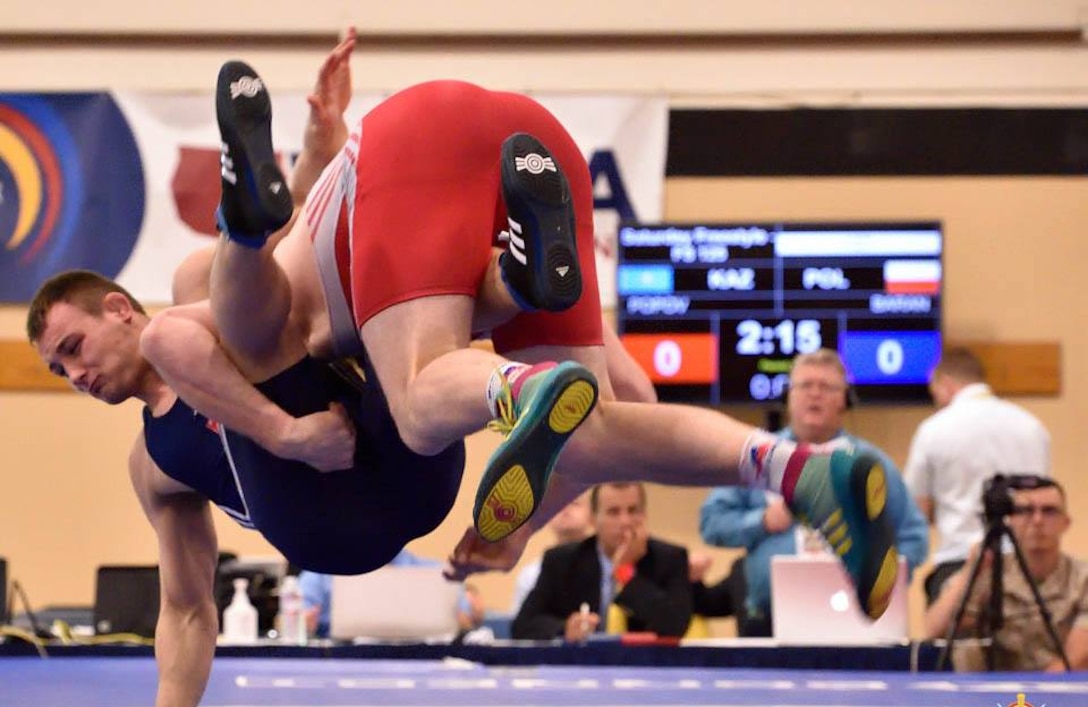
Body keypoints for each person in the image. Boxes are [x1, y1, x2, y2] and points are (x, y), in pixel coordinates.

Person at [193, 58, 899, 617]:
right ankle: (795, 467)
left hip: (417, 138)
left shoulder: (267, 323)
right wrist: (523, 529)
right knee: (590, 425)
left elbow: (181, 335)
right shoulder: (353, 292)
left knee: (414, 403)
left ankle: (246, 216)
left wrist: (277, 432)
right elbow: (631, 395)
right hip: (538, 142)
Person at [699, 349, 928, 636]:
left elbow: (913, 537)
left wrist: (881, 586)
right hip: (768, 622)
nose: (815, 395)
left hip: (856, 624)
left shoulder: (870, 464)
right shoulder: (761, 455)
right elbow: (711, 522)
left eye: (827, 387)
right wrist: (763, 521)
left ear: (846, 399)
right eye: (805, 385)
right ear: (789, 396)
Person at [904, 347, 1051, 604]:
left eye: (935, 393)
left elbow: (917, 510)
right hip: (1026, 566)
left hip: (958, 564)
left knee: (959, 644)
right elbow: (1046, 499)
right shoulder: (1032, 426)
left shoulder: (933, 429)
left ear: (946, 385)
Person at [923, 476, 1088, 672]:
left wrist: (1030, 696)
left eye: (1049, 511)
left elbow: (1075, 660)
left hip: (1057, 691)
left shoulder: (1082, 578)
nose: (1037, 520)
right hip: (991, 692)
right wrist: (970, 572)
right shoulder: (991, 569)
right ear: (1010, 520)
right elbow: (934, 629)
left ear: (1065, 522)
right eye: (1025, 511)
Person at [511, 482, 692, 641]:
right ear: (593, 519)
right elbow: (523, 625)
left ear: (644, 515)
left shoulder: (670, 559)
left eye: (632, 511)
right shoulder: (562, 561)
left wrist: (624, 572)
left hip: (647, 670)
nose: (625, 521)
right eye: (613, 512)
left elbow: (674, 627)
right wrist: (565, 628)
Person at [299, 549, 484, 639]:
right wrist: (303, 623)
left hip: (418, 662)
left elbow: (466, 617)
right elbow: (293, 618)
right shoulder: (321, 573)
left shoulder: (436, 574)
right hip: (342, 662)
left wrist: (467, 616)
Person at [508, 490, 594, 615]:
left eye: (574, 503)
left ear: (593, 514)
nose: (565, 509)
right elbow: (522, 626)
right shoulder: (531, 575)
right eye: (558, 505)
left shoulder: (603, 567)